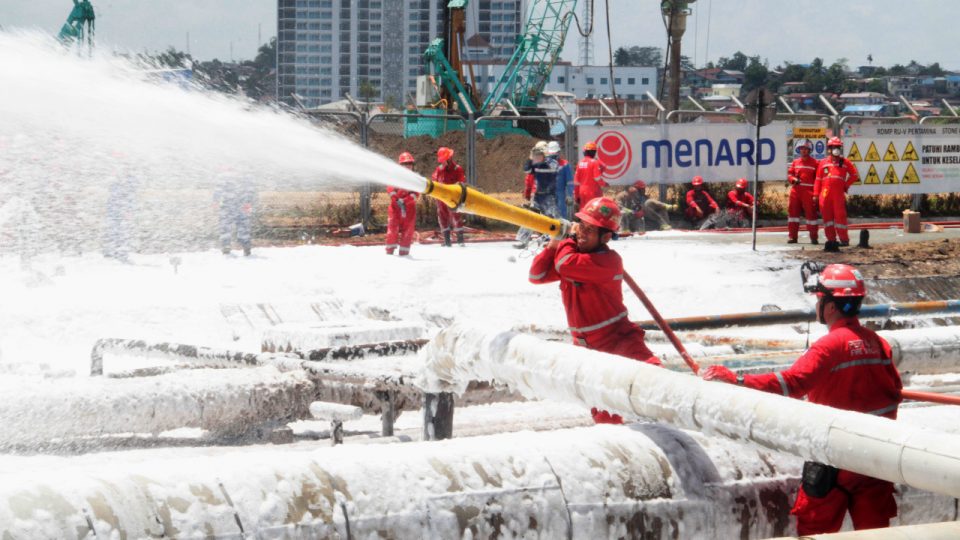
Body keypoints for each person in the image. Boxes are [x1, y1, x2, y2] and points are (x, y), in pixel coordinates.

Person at [702, 263, 902, 535]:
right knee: (876, 534)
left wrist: (736, 380)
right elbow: (894, 393)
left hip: (835, 458)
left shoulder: (830, 346)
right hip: (877, 458)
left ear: (831, 306)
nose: (817, 305)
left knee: (814, 530)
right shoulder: (877, 343)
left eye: (819, 299)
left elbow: (791, 384)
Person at [529, 196, 662, 424]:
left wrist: (568, 238)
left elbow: (564, 265)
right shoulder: (573, 255)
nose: (581, 232)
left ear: (606, 237)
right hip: (588, 349)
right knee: (604, 414)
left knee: (660, 385)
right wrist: (553, 244)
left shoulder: (607, 261)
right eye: (581, 225)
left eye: (590, 230)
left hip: (619, 342)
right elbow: (537, 275)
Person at [815, 137, 860, 252]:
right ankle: (831, 240)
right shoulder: (823, 163)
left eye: (838, 147)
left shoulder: (845, 162)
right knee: (827, 219)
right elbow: (818, 179)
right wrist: (815, 194)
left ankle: (844, 240)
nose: (836, 149)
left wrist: (846, 185)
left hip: (838, 194)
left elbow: (854, 175)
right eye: (833, 147)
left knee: (840, 217)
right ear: (829, 149)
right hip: (824, 195)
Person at [515, 142, 560, 249]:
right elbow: (528, 173)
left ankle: (547, 239)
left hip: (548, 196)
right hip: (540, 196)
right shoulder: (537, 162)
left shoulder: (551, 162)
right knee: (532, 216)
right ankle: (523, 239)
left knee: (549, 219)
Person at [214, 168, 255, 256]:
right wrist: (216, 200)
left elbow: (250, 190)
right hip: (230, 206)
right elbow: (250, 190)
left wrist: (248, 202)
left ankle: (245, 247)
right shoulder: (225, 176)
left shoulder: (245, 177)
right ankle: (228, 247)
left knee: (240, 228)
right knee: (232, 228)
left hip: (237, 206)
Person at [385, 152, 419, 257]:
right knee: (392, 231)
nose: (408, 166)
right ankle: (389, 253)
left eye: (410, 163)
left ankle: (404, 254)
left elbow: (416, 193)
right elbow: (390, 189)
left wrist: (405, 201)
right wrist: (396, 199)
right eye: (405, 164)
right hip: (395, 209)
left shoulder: (415, 178)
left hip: (409, 209)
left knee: (408, 232)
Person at [432, 146, 466, 247]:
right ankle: (447, 241)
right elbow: (434, 180)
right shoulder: (439, 169)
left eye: (444, 160)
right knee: (442, 217)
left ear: (449, 158)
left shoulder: (457, 169)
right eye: (441, 161)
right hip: (441, 198)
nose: (442, 163)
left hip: (453, 198)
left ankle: (460, 240)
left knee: (456, 216)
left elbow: (461, 182)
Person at [787, 140, 820, 245]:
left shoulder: (815, 163)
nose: (803, 150)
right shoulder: (795, 162)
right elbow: (789, 174)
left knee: (811, 216)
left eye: (805, 149)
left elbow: (818, 179)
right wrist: (793, 180)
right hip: (796, 191)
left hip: (809, 192)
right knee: (793, 215)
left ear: (809, 150)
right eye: (801, 148)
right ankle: (793, 237)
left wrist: (816, 194)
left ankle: (813, 237)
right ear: (799, 150)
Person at [574, 141, 607, 210]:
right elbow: (597, 178)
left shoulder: (580, 163)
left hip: (582, 190)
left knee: (583, 211)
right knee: (593, 211)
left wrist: (576, 195)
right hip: (592, 191)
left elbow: (576, 182)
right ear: (594, 152)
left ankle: (583, 221)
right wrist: (604, 184)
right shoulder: (594, 162)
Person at [552, 142, 575, 220]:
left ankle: (561, 231)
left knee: (561, 215)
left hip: (560, 194)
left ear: (559, 152)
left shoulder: (564, 164)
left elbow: (569, 181)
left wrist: (569, 195)